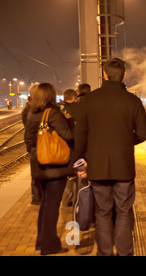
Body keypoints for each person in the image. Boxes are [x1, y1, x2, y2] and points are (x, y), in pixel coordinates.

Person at [73, 58, 146, 256]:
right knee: (124, 211)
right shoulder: (132, 101)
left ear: (104, 75)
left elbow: (80, 134)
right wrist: (124, 141)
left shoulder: (89, 100)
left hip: (97, 167)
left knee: (102, 212)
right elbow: (143, 133)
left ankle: (105, 252)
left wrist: (77, 161)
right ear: (124, 75)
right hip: (123, 167)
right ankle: (125, 252)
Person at [24, 82, 74, 255]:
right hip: (55, 166)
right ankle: (50, 246)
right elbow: (68, 135)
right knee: (53, 205)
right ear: (49, 96)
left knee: (45, 204)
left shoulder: (31, 113)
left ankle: (40, 242)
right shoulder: (52, 113)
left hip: (39, 166)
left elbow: (29, 142)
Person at [21, 82, 41, 205]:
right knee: (37, 171)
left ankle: (37, 196)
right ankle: (37, 197)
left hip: (33, 143)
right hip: (36, 143)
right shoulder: (32, 108)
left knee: (35, 172)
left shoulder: (28, 107)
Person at [58, 88, 78, 207]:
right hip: (72, 147)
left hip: (59, 148)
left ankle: (65, 201)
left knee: (66, 176)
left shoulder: (57, 109)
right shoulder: (75, 109)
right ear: (74, 98)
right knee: (73, 175)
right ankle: (71, 200)